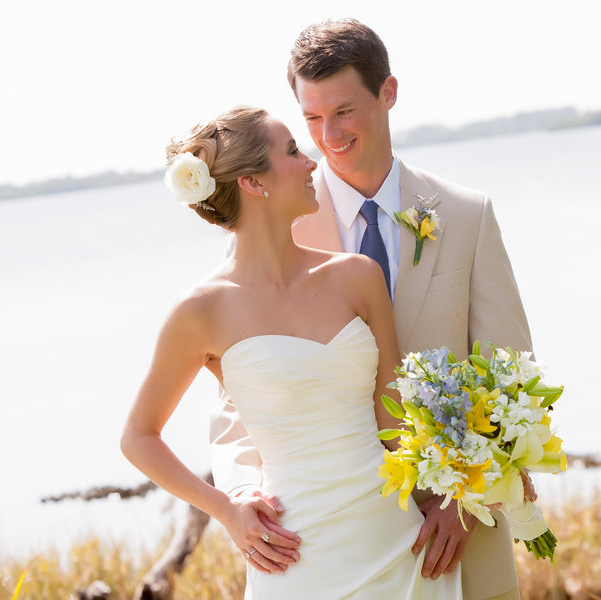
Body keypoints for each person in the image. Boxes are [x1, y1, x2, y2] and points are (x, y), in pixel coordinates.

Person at [209, 19, 534, 600]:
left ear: (388, 93)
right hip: (325, 547)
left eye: (343, 111)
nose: (328, 134)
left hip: (457, 539)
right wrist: (239, 498)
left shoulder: (467, 216)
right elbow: (239, 398)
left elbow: (511, 379)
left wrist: (465, 499)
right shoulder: (266, 234)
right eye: (310, 118)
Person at [121, 106, 461, 599]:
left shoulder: (358, 276)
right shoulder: (199, 312)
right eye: (292, 151)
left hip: (398, 542)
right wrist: (226, 509)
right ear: (253, 184)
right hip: (293, 555)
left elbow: (394, 421)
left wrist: (459, 491)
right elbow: (139, 437)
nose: (311, 163)